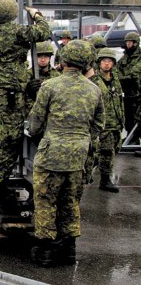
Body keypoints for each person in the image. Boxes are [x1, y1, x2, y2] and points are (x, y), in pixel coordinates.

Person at [27, 40, 104, 267]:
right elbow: (99, 124)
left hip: (52, 153)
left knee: (46, 200)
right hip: (79, 155)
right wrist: (80, 138)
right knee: (70, 201)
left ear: (63, 60)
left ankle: (46, 250)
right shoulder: (94, 89)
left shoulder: (50, 87)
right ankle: (69, 249)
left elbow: (35, 123)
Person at [0, 0, 51, 205]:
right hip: (8, 94)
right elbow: (43, 32)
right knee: (7, 141)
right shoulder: (18, 33)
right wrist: (36, 14)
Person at [90, 48, 124, 192]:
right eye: (104, 61)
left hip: (116, 122)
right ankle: (104, 180)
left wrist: (122, 118)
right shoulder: (95, 81)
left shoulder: (114, 79)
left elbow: (119, 100)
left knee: (112, 151)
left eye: (109, 61)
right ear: (99, 63)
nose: (107, 64)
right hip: (103, 124)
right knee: (105, 152)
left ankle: (95, 173)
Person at [116, 32, 141, 142]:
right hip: (128, 93)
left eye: (129, 42)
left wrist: (123, 77)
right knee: (128, 117)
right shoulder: (125, 57)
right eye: (126, 42)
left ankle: (135, 138)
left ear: (135, 43)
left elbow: (134, 74)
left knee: (138, 117)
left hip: (138, 92)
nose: (127, 44)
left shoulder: (139, 57)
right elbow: (116, 70)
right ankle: (132, 138)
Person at [25, 41, 60, 112]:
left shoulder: (57, 76)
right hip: (32, 112)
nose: (43, 60)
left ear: (50, 57)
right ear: (35, 57)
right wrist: (27, 90)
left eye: (46, 56)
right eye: (40, 56)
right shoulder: (27, 75)